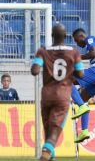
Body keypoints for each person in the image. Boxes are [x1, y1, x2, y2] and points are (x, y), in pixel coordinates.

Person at [31, 24, 85, 161]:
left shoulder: (43, 51)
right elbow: (81, 74)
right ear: (66, 36)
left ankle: (49, 156)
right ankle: (45, 155)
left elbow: (35, 71)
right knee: (54, 131)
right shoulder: (74, 52)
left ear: (51, 36)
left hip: (47, 95)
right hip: (63, 94)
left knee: (48, 130)